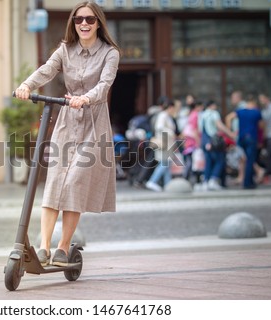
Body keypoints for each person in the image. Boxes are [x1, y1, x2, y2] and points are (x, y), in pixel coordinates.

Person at [14, 1, 120, 267]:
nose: (84, 24)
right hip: (66, 119)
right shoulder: (64, 50)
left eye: (90, 20)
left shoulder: (110, 53)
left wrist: (85, 98)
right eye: (78, 19)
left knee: (74, 182)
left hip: (93, 124)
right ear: (73, 23)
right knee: (55, 182)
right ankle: (44, 248)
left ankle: (62, 247)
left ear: (99, 23)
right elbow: (46, 70)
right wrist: (26, 85)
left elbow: (105, 85)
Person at [226, 95, 263, 189]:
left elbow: (228, 118)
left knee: (243, 160)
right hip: (251, 138)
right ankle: (248, 182)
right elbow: (261, 126)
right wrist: (261, 139)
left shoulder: (240, 111)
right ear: (254, 103)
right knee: (250, 160)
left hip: (241, 138)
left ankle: (244, 179)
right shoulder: (256, 112)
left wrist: (230, 132)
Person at [198, 100, 235, 190]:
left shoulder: (201, 115)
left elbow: (199, 130)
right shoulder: (213, 113)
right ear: (212, 105)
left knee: (208, 162)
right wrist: (230, 134)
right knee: (220, 160)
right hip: (213, 141)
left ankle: (206, 181)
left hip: (204, 140)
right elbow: (219, 125)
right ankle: (213, 179)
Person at [145, 100, 178, 192]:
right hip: (164, 143)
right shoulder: (163, 115)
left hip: (167, 143)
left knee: (166, 163)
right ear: (170, 107)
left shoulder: (166, 116)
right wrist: (171, 133)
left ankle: (168, 184)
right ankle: (152, 181)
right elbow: (159, 127)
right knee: (165, 163)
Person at [181, 101, 204, 183]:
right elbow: (195, 130)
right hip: (193, 141)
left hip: (188, 141)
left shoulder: (190, 115)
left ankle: (188, 178)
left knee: (190, 161)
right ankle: (187, 178)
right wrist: (198, 141)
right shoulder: (195, 115)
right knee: (193, 161)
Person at [259, 93, 271, 183]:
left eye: (262, 99)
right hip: (267, 135)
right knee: (268, 156)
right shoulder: (264, 109)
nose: (261, 101)